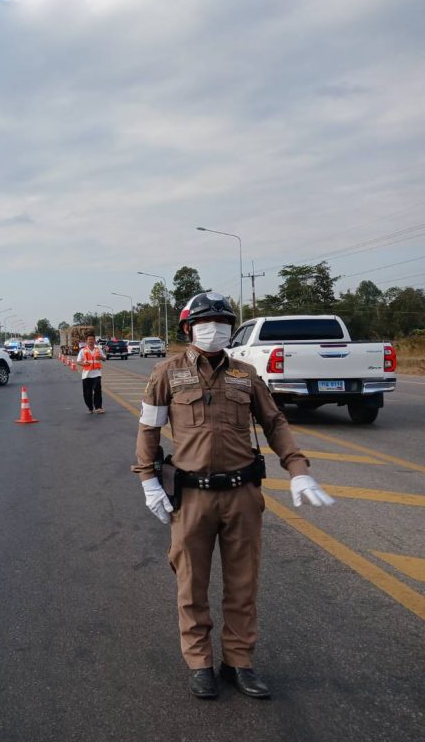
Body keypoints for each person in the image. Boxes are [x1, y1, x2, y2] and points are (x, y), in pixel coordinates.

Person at [133, 292, 335, 700]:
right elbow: (149, 429)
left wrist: (298, 470)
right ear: (188, 328)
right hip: (192, 498)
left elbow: (275, 423)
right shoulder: (167, 373)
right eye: (206, 322)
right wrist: (148, 480)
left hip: (242, 495)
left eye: (224, 322)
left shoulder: (246, 374)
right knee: (191, 585)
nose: (215, 329)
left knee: (243, 585)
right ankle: (200, 663)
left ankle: (239, 662)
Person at [77, 331, 107, 414]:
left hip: (96, 373)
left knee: (97, 390)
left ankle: (98, 407)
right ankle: (90, 407)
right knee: (87, 393)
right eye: (89, 339)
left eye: (92, 339)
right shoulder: (83, 350)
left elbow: (105, 358)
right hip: (86, 375)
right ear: (86, 341)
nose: (91, 341)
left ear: (94, 340)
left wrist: (100, 357)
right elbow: (78, 361)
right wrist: (84, 364)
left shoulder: (98, 349)